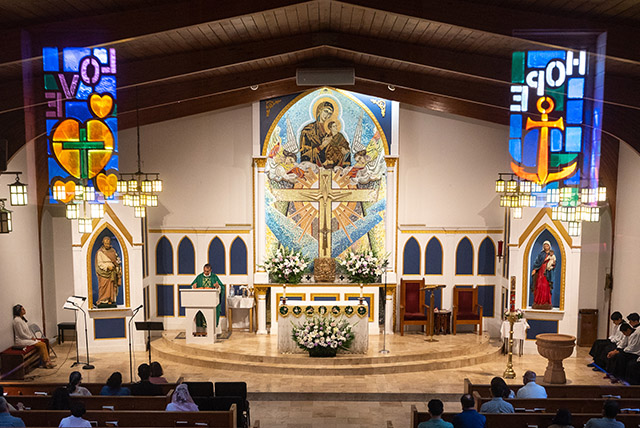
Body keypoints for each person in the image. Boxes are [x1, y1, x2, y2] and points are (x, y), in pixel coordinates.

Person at [12, 304, 54, 368]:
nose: (24, 310)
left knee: (43, 343)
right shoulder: (17, 321)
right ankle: (46, 362)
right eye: (22, 309)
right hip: (21, 340)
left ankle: (46, 361)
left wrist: (32, 337)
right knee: (41, 345)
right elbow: (21, 334)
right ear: (18, 311)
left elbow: (27, 331)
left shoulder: (21, 319)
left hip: (27, 339)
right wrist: (31, 338)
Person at [191, 264, 225, 336]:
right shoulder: (199, 277)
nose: (206, 272)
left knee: (213, 313)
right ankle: (200, 331)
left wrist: (218, 286)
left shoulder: (214, 277)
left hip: (211, 301)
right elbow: (193, 285)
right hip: (201, 300)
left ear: (210, 270)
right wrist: (193, 286)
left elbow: (221, 287)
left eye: (207, 271)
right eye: (205, 271)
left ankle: (213, 331)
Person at [300, 100, 334, 166]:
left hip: (328, 167)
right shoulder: (308, 130)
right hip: (312, 168)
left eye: (330, 114)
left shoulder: (329, 132)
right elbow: (305, 156)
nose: (327, 115)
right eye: (326, 111)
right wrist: (322, 146)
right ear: (319, 110)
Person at [95, 236, 122, 307]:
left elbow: (116, 261)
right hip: (104, 273)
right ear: (103, 243)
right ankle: (103, 300)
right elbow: (99, 263)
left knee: (112, 287)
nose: (107, 244)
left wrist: (117, 268)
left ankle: (111, 300)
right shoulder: (100, 252)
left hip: (112, 272)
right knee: (103, 286)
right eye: (105, 243)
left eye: (108, 243)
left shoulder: (113, 251)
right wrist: (107, 267)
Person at [531, 241, 554, 308]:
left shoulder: (551, 254)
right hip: (541, 270)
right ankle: (538, 302)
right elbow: (537, 262)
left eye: (547, 246)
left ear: (549, 246)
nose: (546, 247)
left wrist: (552, 264)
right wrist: (535, 269)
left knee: (546, 286)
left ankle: (546, 301)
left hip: (548, 272)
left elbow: (554, 261)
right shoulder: (541, 254)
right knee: (539, 285)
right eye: (545, 246)